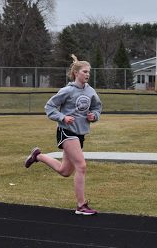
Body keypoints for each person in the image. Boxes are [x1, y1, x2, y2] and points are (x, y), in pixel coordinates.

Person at [24, 54, 102, 215]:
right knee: (81, 166)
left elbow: (97, 108)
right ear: (76, 73)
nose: (87, 74)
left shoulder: (91, 91)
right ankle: (81, 205)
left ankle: (37, 156)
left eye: (89, 72)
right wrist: (62, 117)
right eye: (85, 72)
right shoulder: (67, 91)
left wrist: (94, 116)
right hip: (66, 132)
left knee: (65, 171)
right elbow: (49, 107)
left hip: (80, 134)